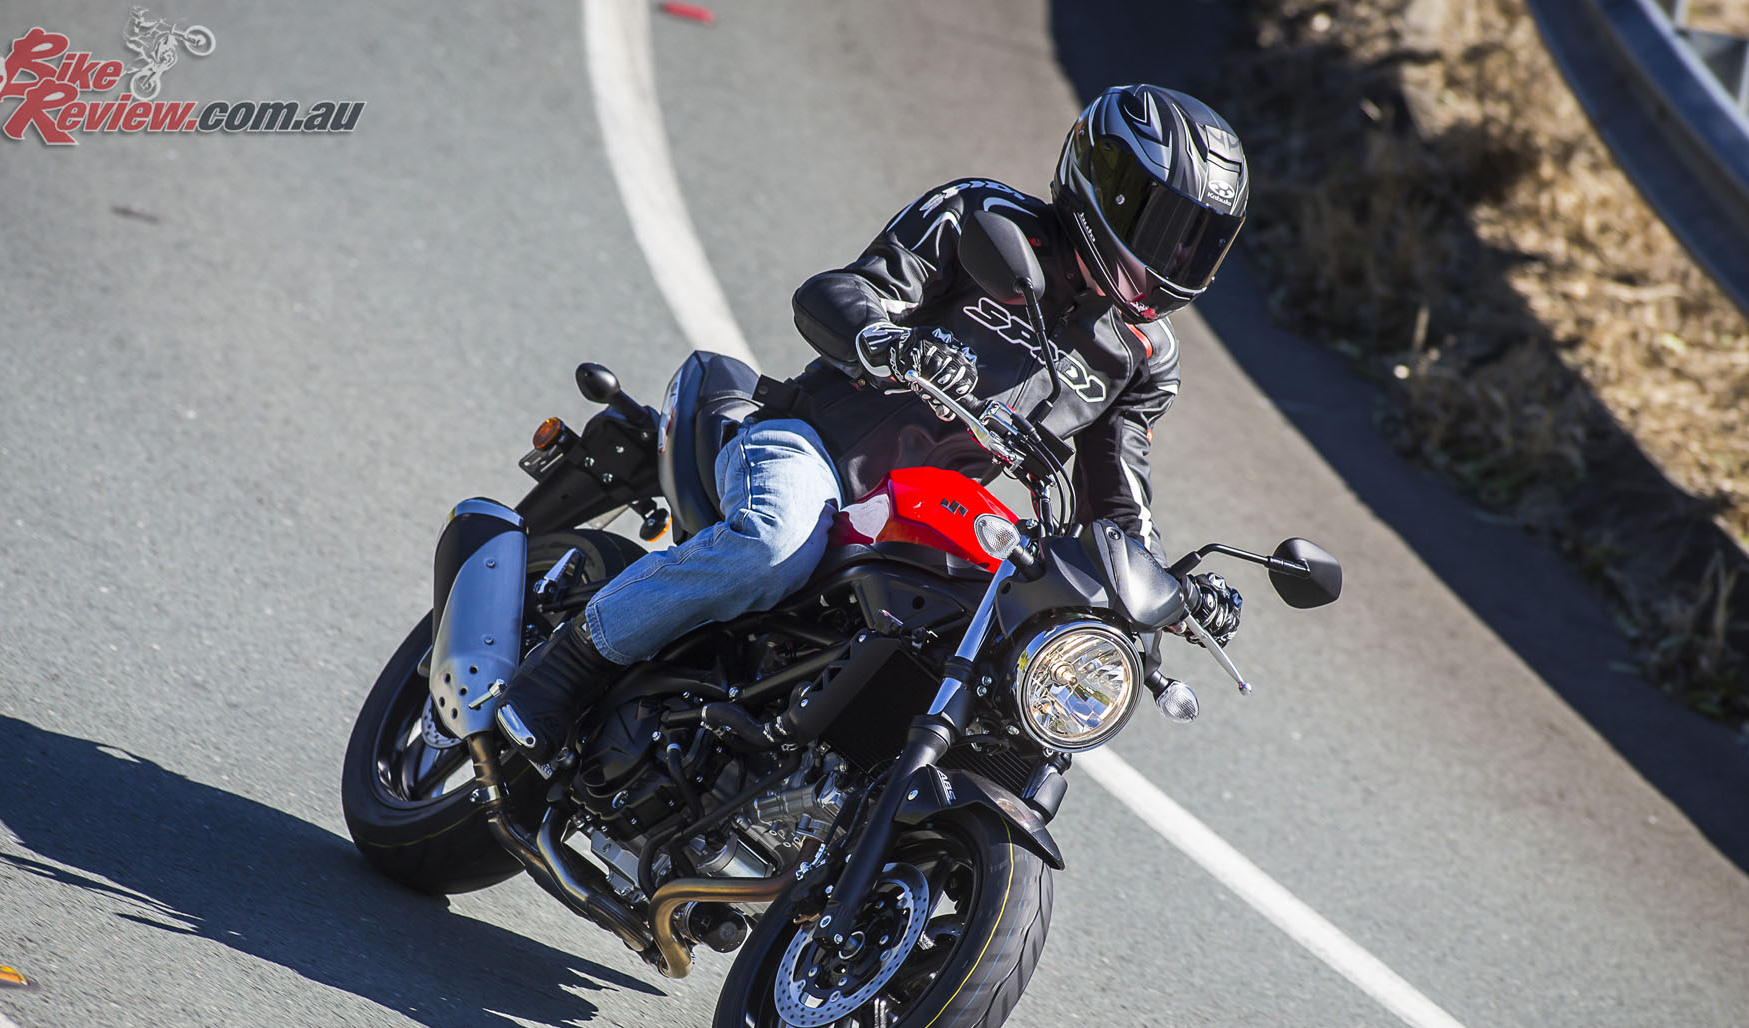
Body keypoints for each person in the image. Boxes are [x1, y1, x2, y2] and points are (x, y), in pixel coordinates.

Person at [496, 84, 1249, 760]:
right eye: (1164, 226)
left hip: (926, 515)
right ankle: (570, 660)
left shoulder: (1143, 356)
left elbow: (1119, 496)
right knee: (774, 541)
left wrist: (1164, 589)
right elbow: (840, 293)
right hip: (811, 449)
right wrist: (890, 344)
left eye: (1197, 239)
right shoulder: (985, 219)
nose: (1176, 254)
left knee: (1004, 654)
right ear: (1104, 186)